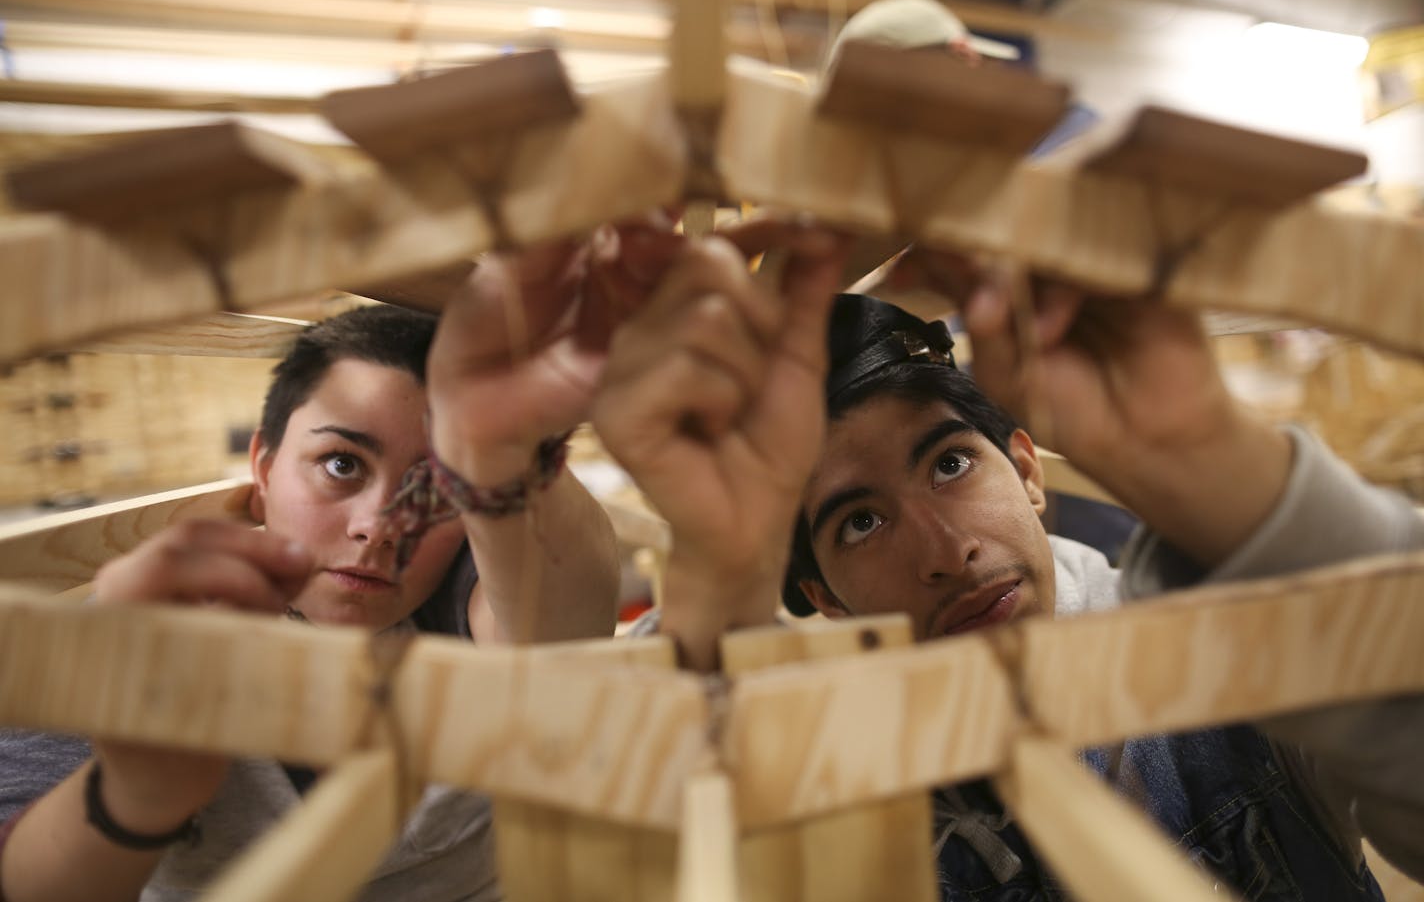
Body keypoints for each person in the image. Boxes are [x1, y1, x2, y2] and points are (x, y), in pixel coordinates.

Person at [593, 225, 1424, 900]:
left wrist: (1210, 456)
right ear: (824, 596)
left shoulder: (1224, 645)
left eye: (951, 464)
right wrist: (715, 564)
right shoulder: (844, 770)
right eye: (861, 522)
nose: (946, 551)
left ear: (1026, 470)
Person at [0, 223, 678, 902]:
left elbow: (561, 621)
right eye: (341, 464)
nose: (379, 528)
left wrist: (504, 449)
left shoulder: (453, 590)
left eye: (436, 486)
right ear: (263, 465)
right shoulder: (138, 632)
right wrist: (133, 793)